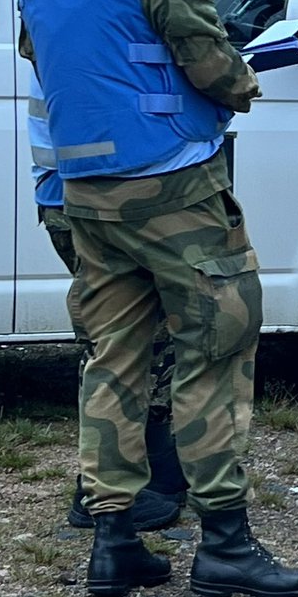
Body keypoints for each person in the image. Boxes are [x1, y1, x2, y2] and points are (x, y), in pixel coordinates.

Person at [18, 0, 298, 597]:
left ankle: (114, 540)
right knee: (215, 348)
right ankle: (224, 544)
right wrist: (243, 83)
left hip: (86, 193)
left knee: (113, 360)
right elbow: (208, 60)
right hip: (175, 184)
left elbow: (48, 55)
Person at [27, 68, 186, 533]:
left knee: (141, 332)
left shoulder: (55, 8)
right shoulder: (97, 17)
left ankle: (153, 465)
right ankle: (101, 494)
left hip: (68, 191)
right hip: (101, 192)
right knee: (117, 340)